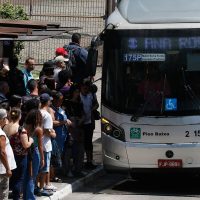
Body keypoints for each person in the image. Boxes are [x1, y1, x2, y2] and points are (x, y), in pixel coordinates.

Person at [3, 108, 33, 200]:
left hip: (8, 156)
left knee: (11, 179)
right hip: (20, 157)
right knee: (19, 179)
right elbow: (25, 145)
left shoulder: (5, 127)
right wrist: (31, 140)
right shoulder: (21, 129)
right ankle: (16, 197)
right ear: (19, 116)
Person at [37, 93, 56, 196]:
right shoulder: (47, 115)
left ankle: (38, 186)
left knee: (38, 167)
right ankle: (42, 188)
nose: (51, 102)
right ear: (47, 102)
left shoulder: (36, 112)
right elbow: (48, 131)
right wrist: (53, 134)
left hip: (37, 144)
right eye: (50, 100)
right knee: (44, 168)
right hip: (45, 144)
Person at [23, 109, 44, 200]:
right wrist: (42, 159)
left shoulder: (24, 126)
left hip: (25, 152)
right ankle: (30, 197)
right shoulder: (38, 129)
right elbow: (40, 146)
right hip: (34, 152)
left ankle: (26, 196)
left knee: (26, 176)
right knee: (32, 176)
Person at [65, 84, 85, 177]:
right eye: (76, 91)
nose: (78, 94)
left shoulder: (80, 103)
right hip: (70, 128)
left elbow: (83, 114)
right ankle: (68, 170)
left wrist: (81, 120)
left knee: (80, 150)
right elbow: (66, 116)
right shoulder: (67, 103)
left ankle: (78, 169)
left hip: (79, 128)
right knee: (69, 151)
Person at [80, 81, 99, 170]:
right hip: (80, 123)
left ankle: (89, 161)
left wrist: (92, 109)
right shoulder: (78, 96)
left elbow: (96, 104)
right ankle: (80, 162)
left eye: (87, 88)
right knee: (81, 143)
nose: (86, 90)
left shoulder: (91, 95)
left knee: (89, 142)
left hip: (89, 122)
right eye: (85, 88)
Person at [0, 108, 16, 200]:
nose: (7, 120)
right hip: (2, 170)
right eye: (6, 118)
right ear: (2, 119)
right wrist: (8, 169)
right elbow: (2, 152)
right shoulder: (1, 134)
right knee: (3, 194)